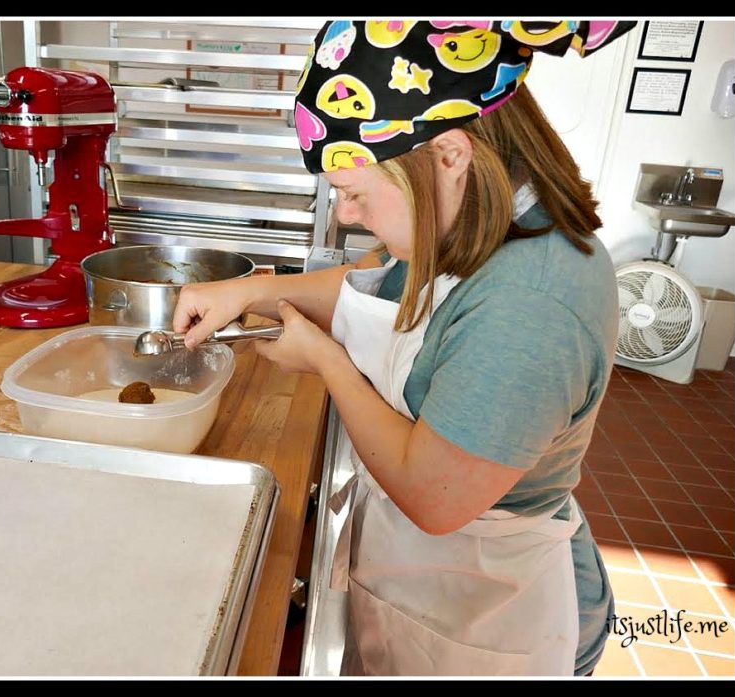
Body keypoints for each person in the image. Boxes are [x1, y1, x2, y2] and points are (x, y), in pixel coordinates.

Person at [172, 20, 637, 676]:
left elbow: (434, 495)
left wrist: (328, 362)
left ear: (447, 154)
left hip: (491, 613)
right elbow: (372, 294)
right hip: (427, 587)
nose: (346, 217)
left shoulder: (533, 304)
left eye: (355, 194)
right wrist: (250, 291)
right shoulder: (476, 214)